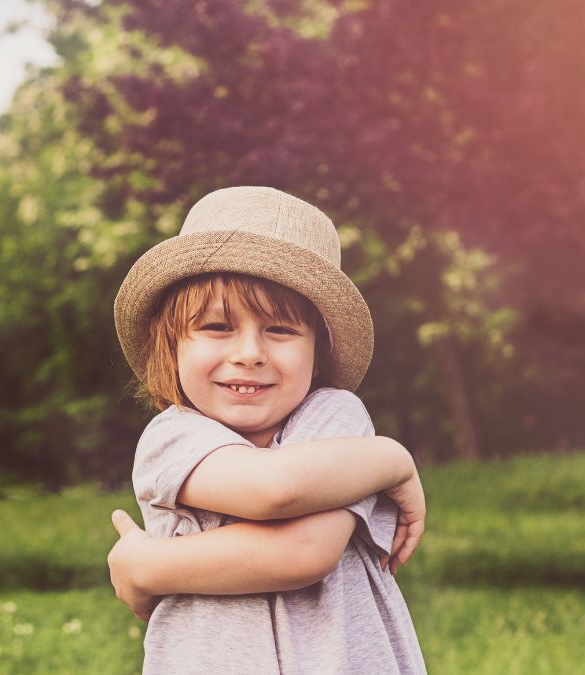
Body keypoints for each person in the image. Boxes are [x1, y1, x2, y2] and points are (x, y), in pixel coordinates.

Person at [107, 186, 428, 674]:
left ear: (318, 350)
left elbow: (304, 551)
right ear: (171, 345)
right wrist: (392, 462)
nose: (250, 353)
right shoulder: (173, 439)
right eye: (217, 328)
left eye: (280, 330)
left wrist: (143, 566)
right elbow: (272, 489)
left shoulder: (336, 418)